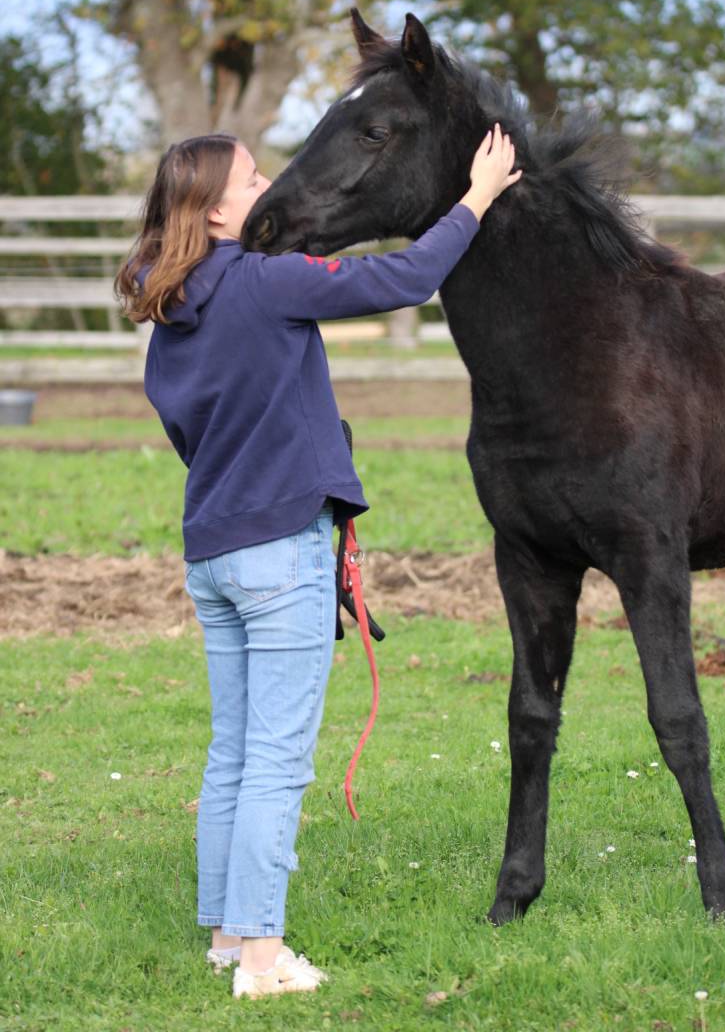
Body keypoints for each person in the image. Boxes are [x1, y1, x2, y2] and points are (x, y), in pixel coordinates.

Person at [115, 122, 521, 1000]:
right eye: (253, 178)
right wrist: (476, 198)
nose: (268, 187)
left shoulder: (169, 315)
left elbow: (194, 437)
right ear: (217, 209)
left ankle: (228, 936)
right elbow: (404, 278)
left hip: (214, 553)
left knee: (231, 754)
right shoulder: (263, 284)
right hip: (279, 555)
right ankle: (262, 960)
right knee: (275, 761)